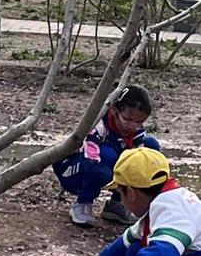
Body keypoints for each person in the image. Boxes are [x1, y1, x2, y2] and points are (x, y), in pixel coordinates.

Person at [54, 85, 158, 228]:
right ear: (115, 110)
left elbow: (141, 157)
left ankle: (117, 204)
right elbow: (91, 161)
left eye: (139, 122)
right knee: (107, 155)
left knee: (150, 148)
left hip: (108, 172)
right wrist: (117, 179)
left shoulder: (136, 131)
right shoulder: (98, 126)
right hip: (75, 171)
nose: (133, 126)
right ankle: (83, 203)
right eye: (128, 120)